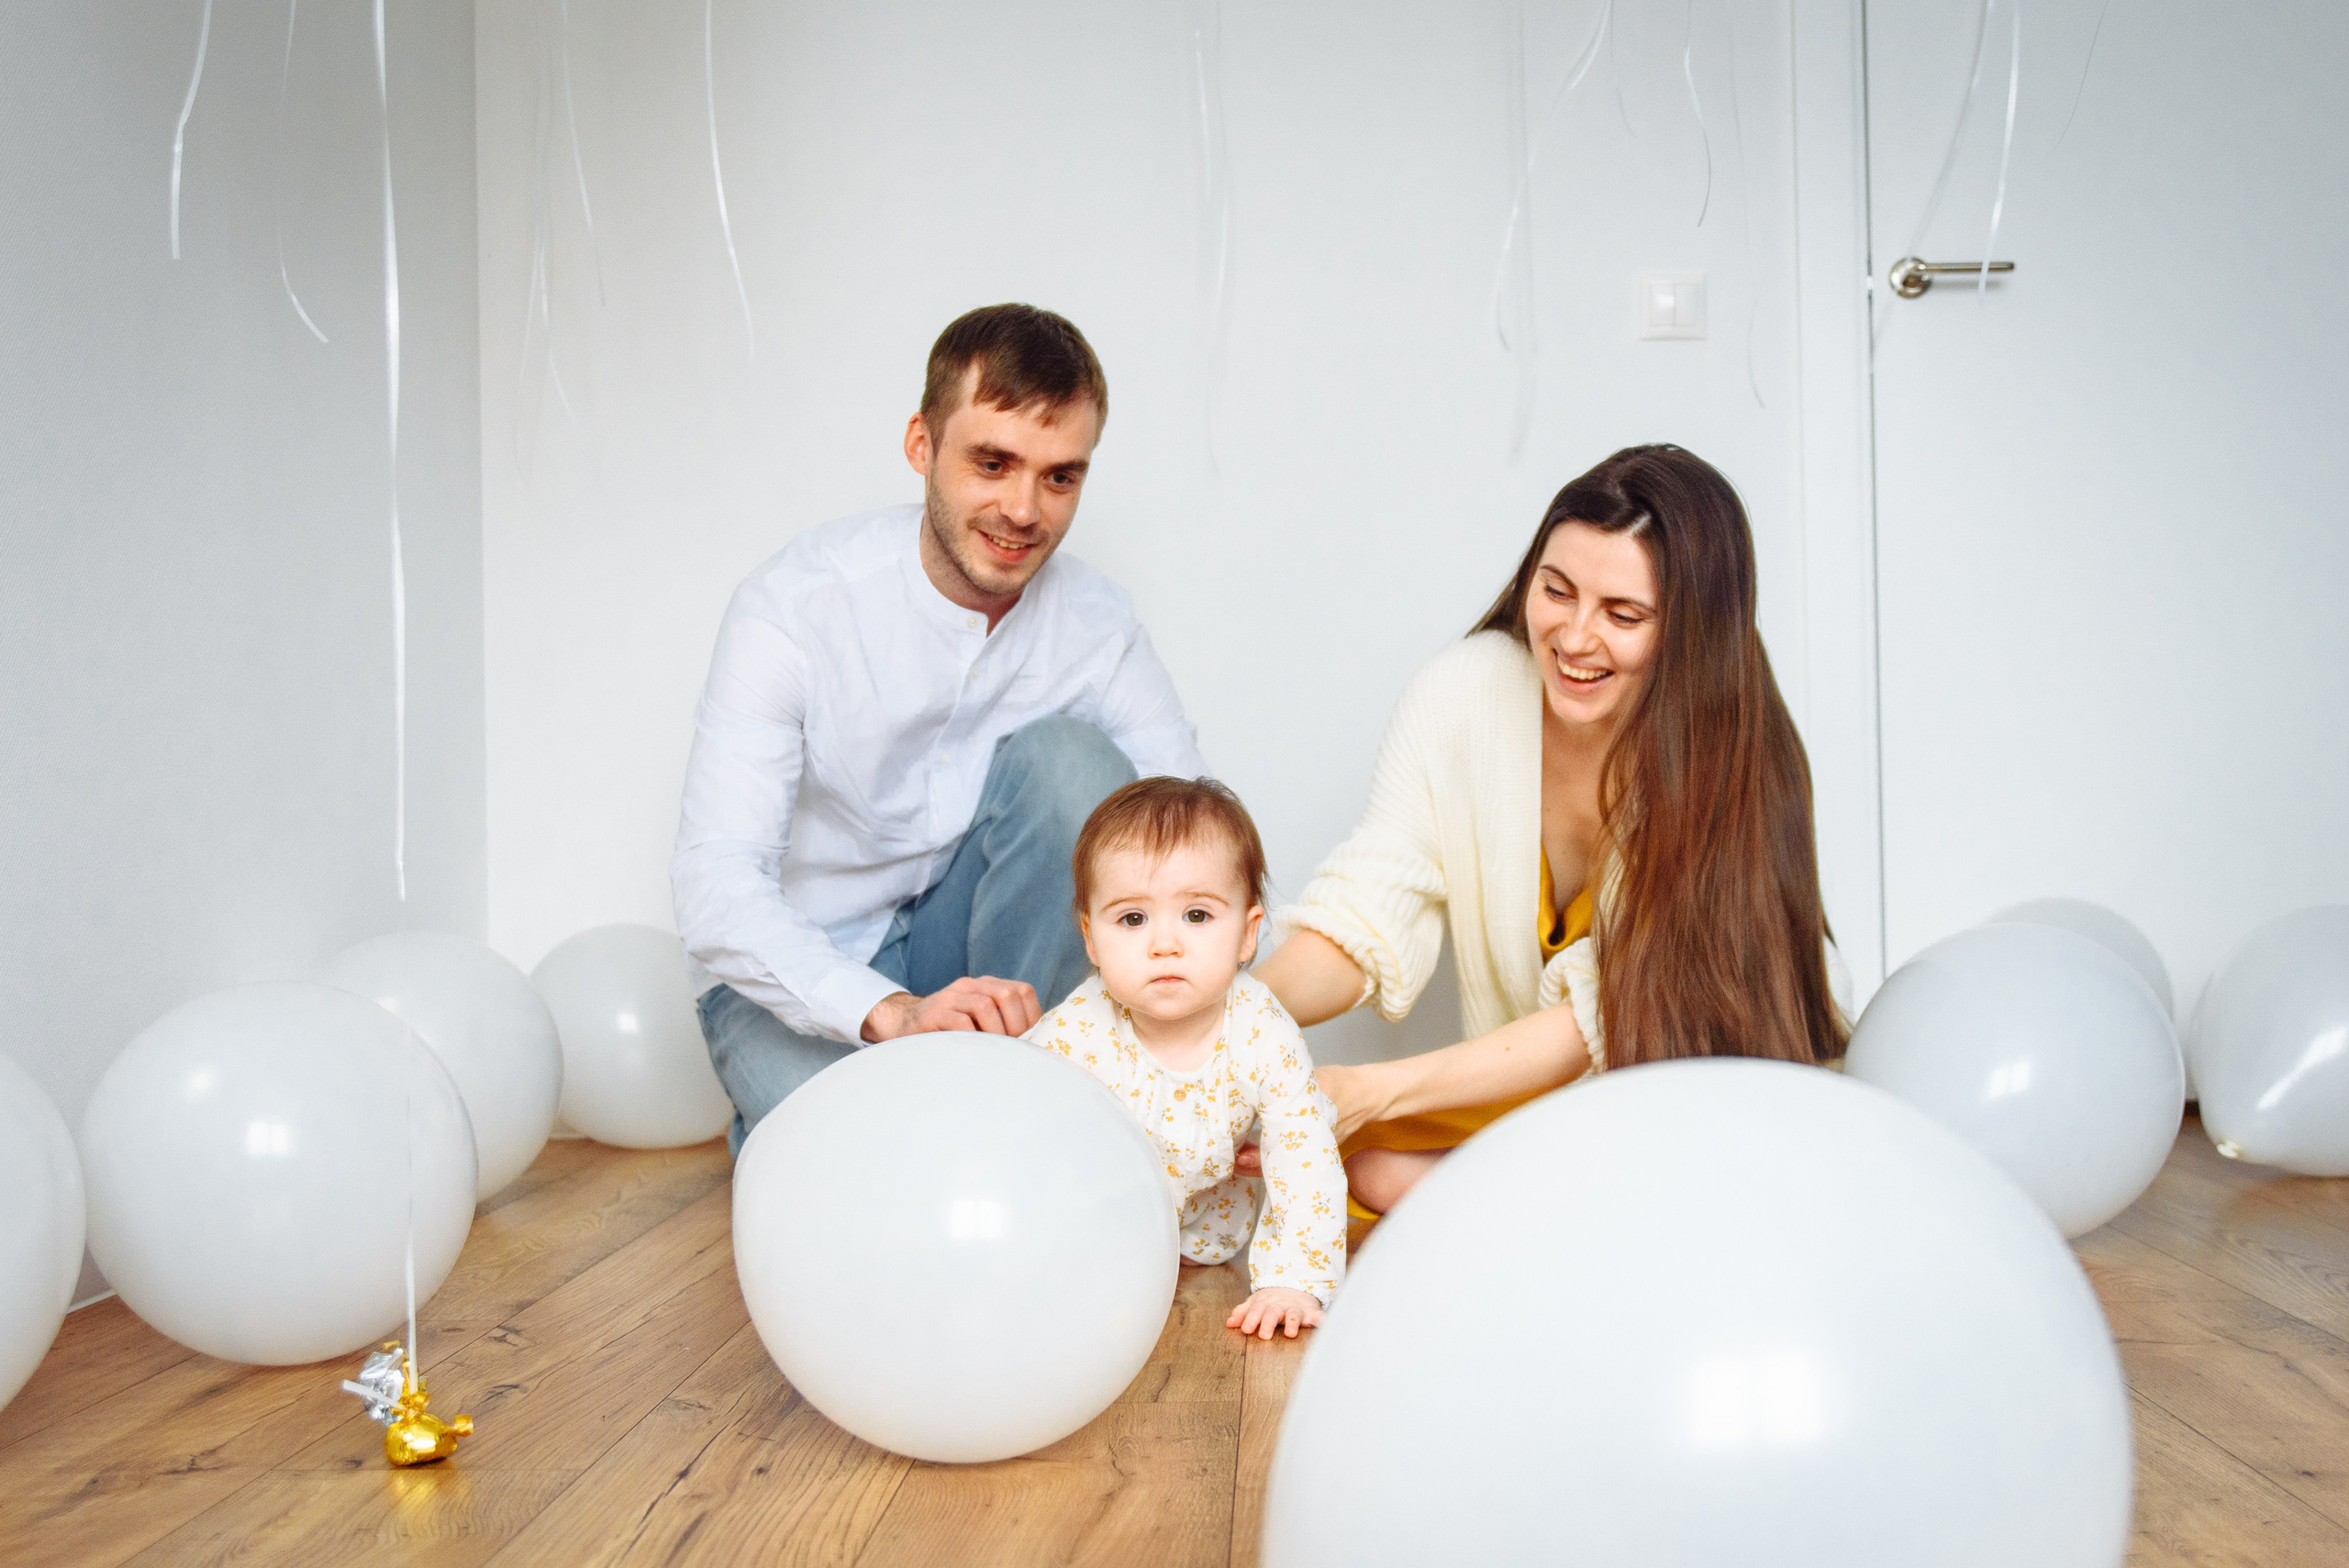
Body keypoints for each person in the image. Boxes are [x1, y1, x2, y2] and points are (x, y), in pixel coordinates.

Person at [1252, 444, 1851, 1218]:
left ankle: (1532, 1207)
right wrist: (1228, 1013)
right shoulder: (1462, 690)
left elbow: (1610, 1014)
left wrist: (1374, 1088)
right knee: (1335, 1164)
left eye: (1623, 615)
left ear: (1690, 631)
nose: (1573, 637)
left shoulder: (1734, 750)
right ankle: (1520, 1203)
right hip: (1531, 1102)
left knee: (1389, 1166)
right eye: (1556, 591)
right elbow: (1369, 908)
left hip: (1689, 1106)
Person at [673, 305, 1206, 1154]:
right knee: (892, 1166)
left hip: (981, 965)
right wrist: (894, 1011)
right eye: (992, 462)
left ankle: (1015, 1095)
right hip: (800, 974)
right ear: (922, 444)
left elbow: (1199, 836)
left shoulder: (1098, 623)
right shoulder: (792, 607)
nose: (1024, 509)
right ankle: (855, 1126)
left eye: (1060, 477)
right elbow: (714, 884)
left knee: (1084, 770)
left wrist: (1235, 1061)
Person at [1027, 776, 1345, 1340]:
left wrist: (1295, 1279)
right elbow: (1020, 1137)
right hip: (1102, 1228)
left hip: (1207, 1231)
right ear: (1091, 940)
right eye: (1132, 919)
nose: (1165, 943)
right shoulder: (1074, 1034)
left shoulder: (1261, 1028)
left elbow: (1305, 1153)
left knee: (1303, 1142)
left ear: (1248, 935)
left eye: (1197, 915)